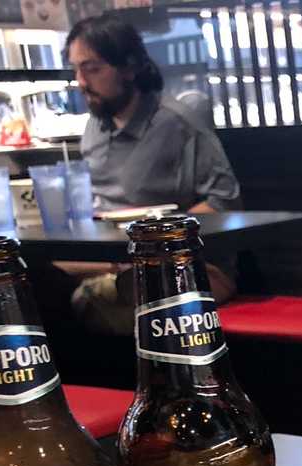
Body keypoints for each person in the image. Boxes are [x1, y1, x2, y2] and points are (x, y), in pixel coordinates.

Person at [59, 14, 241, 333]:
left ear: (129, 68)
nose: (81, 82)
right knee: (30, 276)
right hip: (108, 260)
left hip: (181, 266)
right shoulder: (94, 127)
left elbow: (224, 203)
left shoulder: (176, 124)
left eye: (92, 69)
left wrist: (154, 240)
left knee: (122, 294)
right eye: (76, 70)